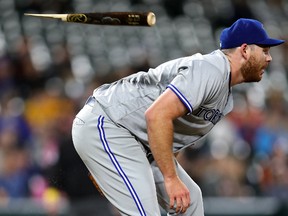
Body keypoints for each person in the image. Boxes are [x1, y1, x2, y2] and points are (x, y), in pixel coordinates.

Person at [71, 18, 284, 216]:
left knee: (190, 202)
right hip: (108, 123)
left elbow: (171, 132)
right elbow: (156, 115)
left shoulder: (225, 94)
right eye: (264, 50)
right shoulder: (211, 70)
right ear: (245, 50)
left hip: (136, 141)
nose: (269, 57)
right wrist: (170, 178)